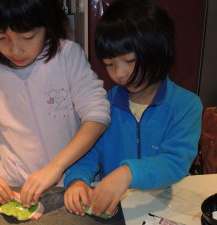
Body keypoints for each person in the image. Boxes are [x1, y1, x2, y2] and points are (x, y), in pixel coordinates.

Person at [0, 0, 110, 207]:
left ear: (47, 27)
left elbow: (97, 117)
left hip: (74, 183)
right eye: (1, 37)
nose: (15, 50)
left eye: (27, 37)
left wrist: (56, 167)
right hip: (16, 189)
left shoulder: (67, 57)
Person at [64, 0, 203, 218]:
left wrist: (128, 173)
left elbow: (175, 162)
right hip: (114, 210)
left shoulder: (186, 106)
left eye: (129, 60)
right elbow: (87, 152)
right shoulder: (104, 106)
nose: (119, 73)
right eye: (109, 64)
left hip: (167, 209)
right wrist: (77, 180)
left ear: (158, 52)